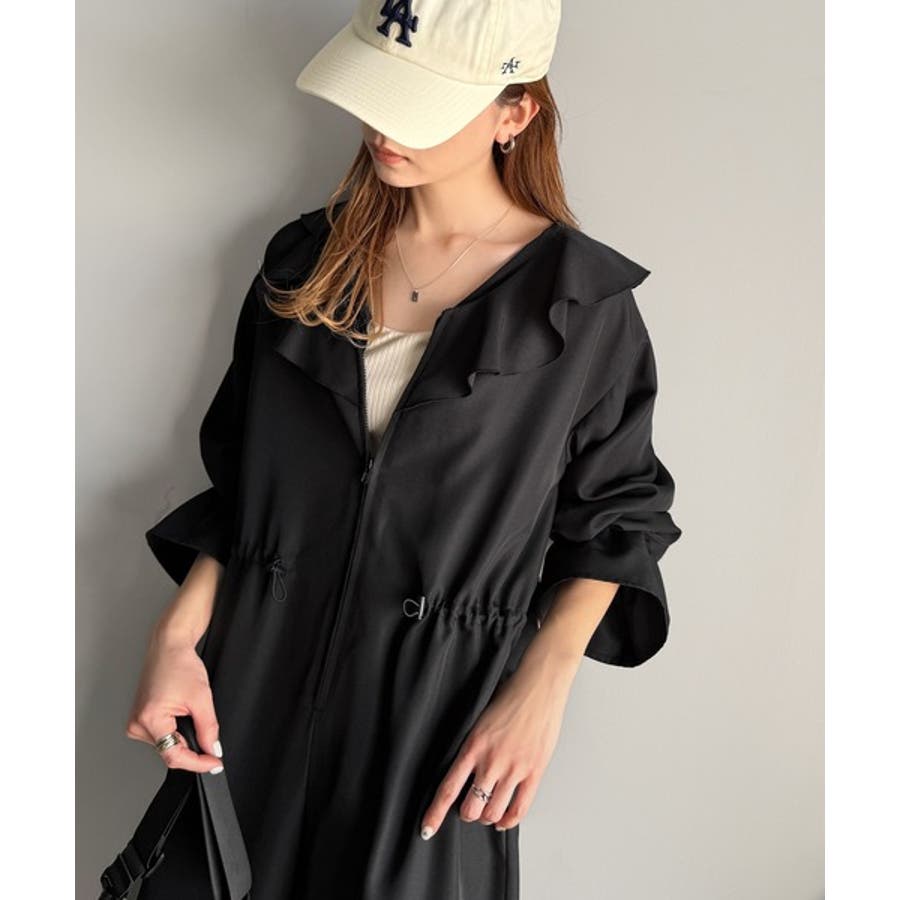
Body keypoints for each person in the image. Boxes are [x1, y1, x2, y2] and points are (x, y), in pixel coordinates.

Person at [123, 0, 682, 897]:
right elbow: (242, 486)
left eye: (419, 104)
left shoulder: (580, 307)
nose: (383, 127)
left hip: (433, 719)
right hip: (251, 688)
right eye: (378, 92)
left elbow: (617, 521)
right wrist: (175, 637)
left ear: (514, 113)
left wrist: (541, 691)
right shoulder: (306, 261)